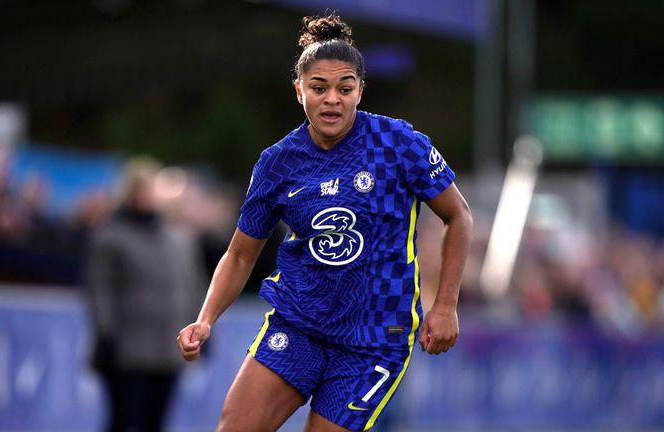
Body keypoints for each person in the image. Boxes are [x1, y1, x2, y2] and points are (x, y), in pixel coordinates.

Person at [177, 14, 473, 432]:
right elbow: (241, 254)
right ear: (299, 92)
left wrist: (444, 305)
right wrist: (205, 319)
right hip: (299, 324)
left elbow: (457, 215)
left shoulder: (398, 144)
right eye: (319, 88)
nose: (332, 99)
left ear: (360, 91)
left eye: (344, 88)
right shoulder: (277, 162)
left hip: (373, 339)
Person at [85, 157, 206, 432]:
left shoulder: (179, 238)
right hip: (126, 351)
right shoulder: (110, 236)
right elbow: (100, 290)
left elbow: (192, 286)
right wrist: (106, 335)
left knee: (157, 422)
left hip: (167, 350)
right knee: (124, 422)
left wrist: (202, 327)